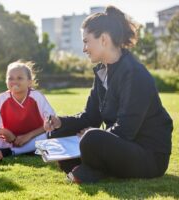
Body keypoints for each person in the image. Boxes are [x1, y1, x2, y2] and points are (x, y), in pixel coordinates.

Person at [44, 6, 173, 184]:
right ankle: (91, 169)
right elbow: (90, 116)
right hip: (122, 147)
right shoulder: (103, 72)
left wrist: (91, 134)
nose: (84, 49)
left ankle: (92, 170)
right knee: (58, 133)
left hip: (148, 155)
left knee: (91, 138)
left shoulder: (133, 73)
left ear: (103, 39)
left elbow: (125, 130)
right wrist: (60, 122)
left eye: (86, 41)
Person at [0, 61, 55, 156]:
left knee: (50, 134)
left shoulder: (37, 96)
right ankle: (26, 149)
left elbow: (51, 122)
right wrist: (6, 133)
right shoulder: (1, 99)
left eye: (19, 78)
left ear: (29, 82)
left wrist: (28, 136)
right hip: (9, 141)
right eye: (10, 78)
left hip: (33, 138)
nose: (14, 81)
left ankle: (14, 152)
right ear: (6, 81)